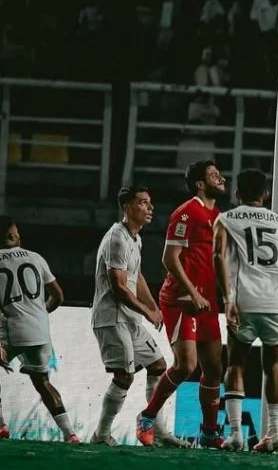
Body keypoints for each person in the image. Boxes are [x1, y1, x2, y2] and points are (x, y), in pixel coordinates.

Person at [138, 159, 231, 448]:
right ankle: (147, 417)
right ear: (200, 184)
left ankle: (209, 432)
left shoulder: (218, 215)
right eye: (214, 175)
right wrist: (193, 293)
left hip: (207, 302)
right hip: (181, 300)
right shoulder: (186, 212)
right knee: (185, 365)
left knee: (214, 368)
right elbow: (169, 258)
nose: (221, 178)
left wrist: (227, 297)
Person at [218, 169, 278, 452]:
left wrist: (228, 299)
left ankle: (236, 434)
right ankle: (275, 434)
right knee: (273, 365)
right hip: (276, 304)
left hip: (244, 301)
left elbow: (218, 255)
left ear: (237, 194)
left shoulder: (227, 218)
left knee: (236, 363)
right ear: (266, 194)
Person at [0, 215, 79, 443]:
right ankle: (70, 434)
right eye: (16, 232)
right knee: (43, 381)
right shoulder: (36, 258)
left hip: (12, 330)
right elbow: (58, 296)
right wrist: (39, 315)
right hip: (40, 331)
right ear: (12, 235)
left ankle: (0, 426)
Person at [90, 185, 176, 446]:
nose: (150, 208)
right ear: (127, 207)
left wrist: (153, 306)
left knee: (158, 366)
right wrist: (147, 311)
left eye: (150, 202)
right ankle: (101, 435)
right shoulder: (116, 238)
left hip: (130, 318)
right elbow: (118, 287)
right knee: (124, 376)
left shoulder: (134, 238)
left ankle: (157, 431)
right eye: (143, 202)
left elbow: (135, 277)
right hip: (112, 318)